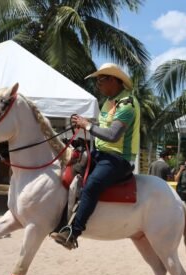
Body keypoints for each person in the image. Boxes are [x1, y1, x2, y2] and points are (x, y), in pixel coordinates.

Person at [52, 63, 139, 249]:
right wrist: (85, 124)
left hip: (118, 159)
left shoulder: (127, 104)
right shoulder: (108, 102)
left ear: (113, 80)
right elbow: (103, 127)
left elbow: (113, 135)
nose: (97, 84)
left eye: (101, 80)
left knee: (92, 185)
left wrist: (88, 125)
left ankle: (73, 233)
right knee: (70, 169)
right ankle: (61, 222)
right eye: (97, 81)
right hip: (101, 154)